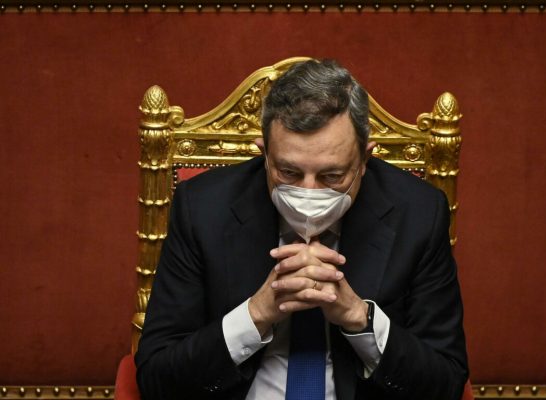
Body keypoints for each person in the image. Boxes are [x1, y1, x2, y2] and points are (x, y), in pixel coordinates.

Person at [135, 59, 468, 400]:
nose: (309, 193)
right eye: (289, 173)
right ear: (264, 154)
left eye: (333, 176)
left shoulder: (419, 213)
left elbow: (446, 382)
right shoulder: (203, 208)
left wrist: (360, 318)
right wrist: (255, 315)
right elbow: (157, 377)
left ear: (365, 160)